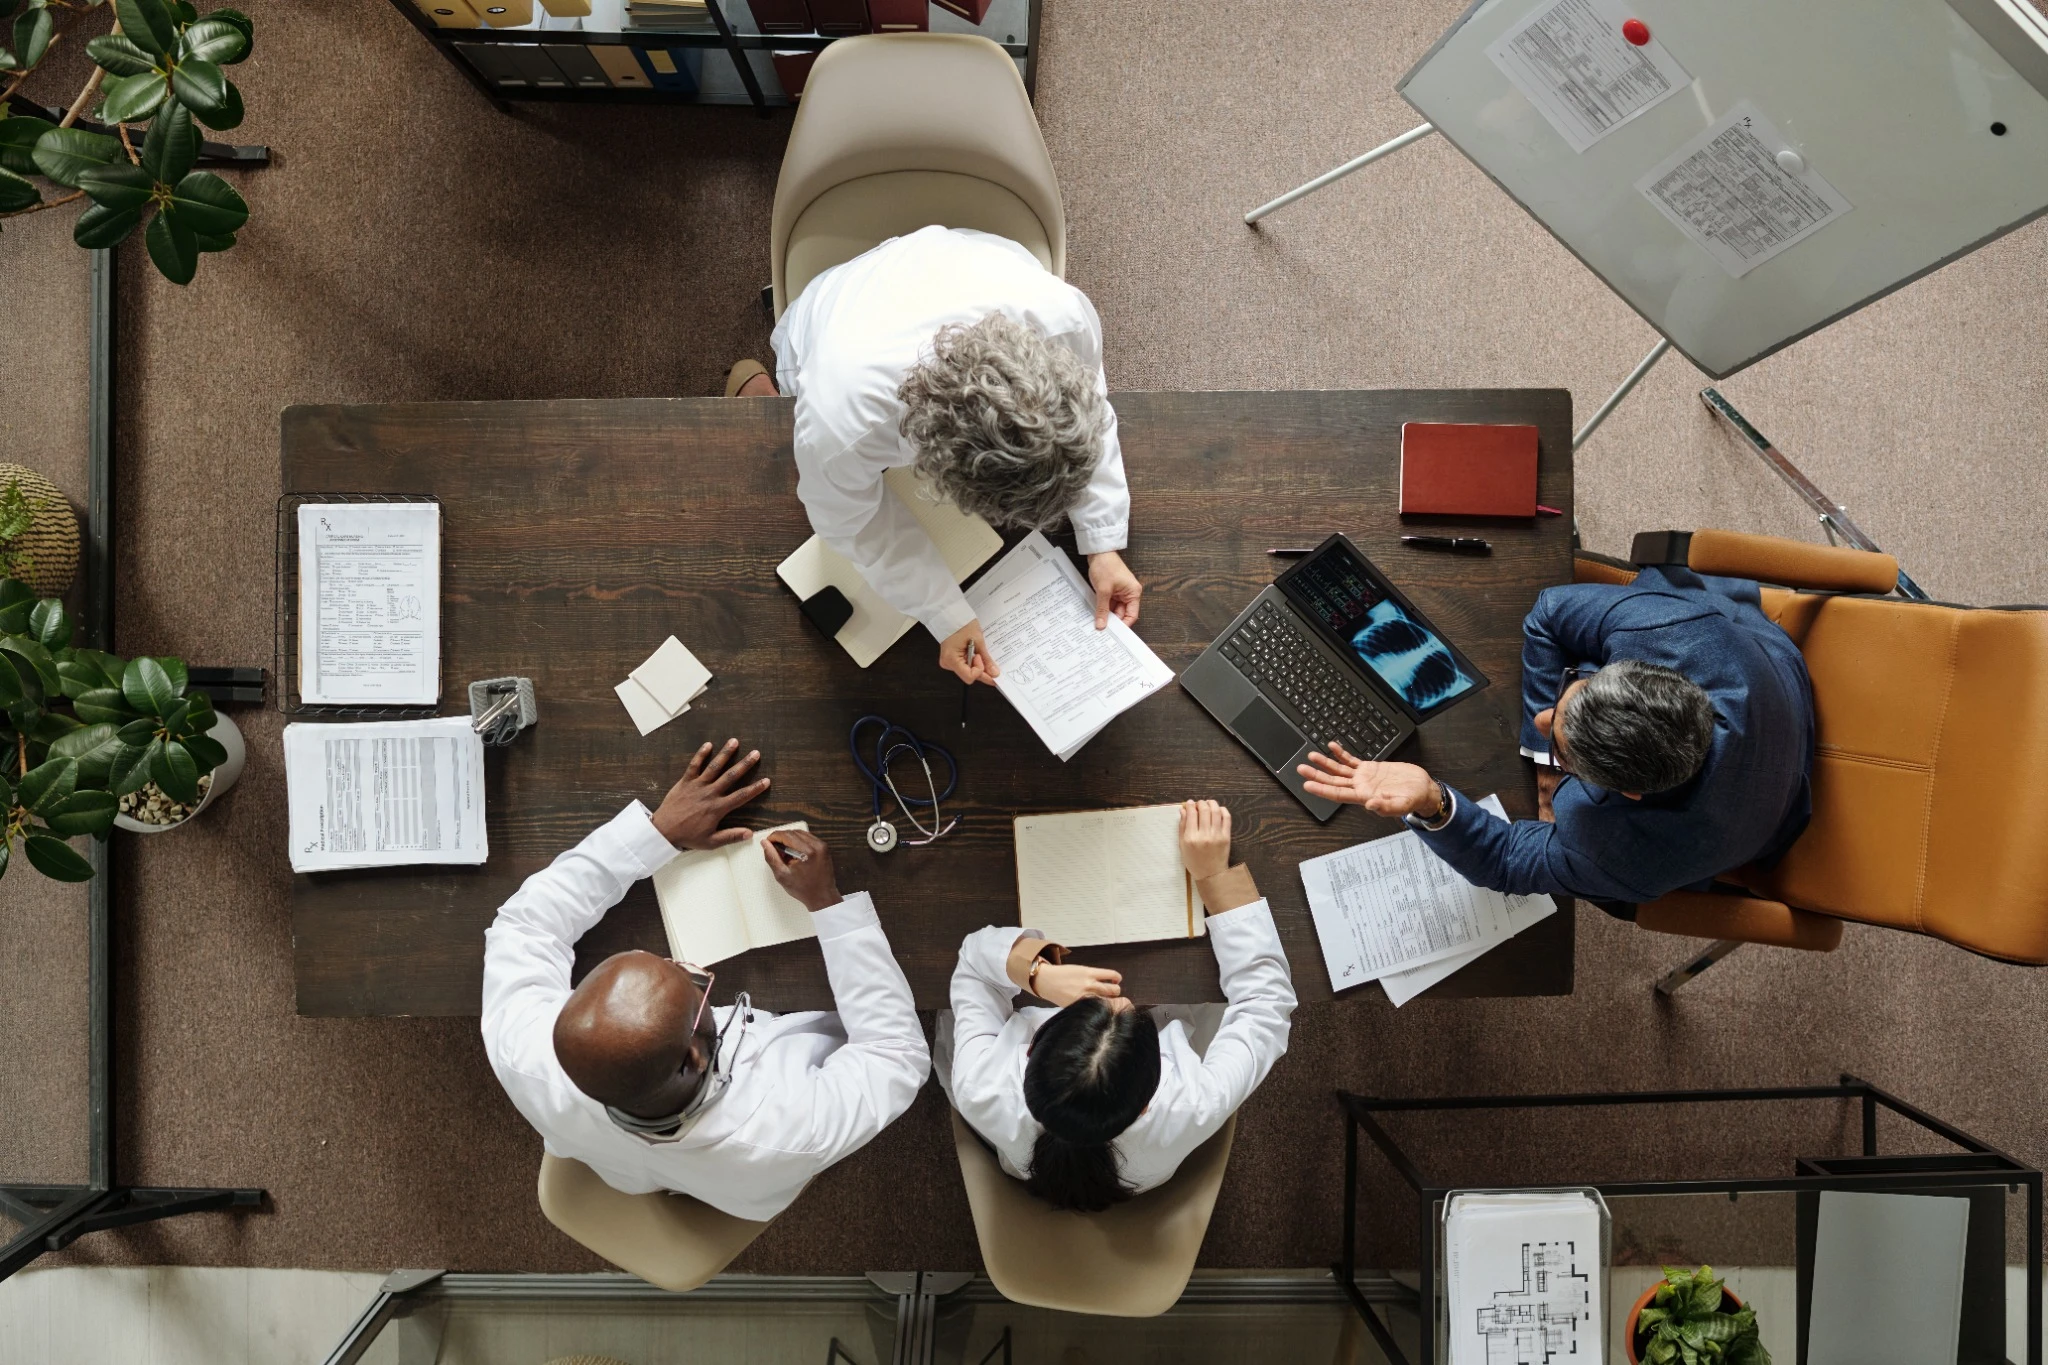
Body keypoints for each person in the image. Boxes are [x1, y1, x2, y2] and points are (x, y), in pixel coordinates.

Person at [480, 739, 929, 1222]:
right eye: (692, 988)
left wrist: (656, 835)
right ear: (694, 1056)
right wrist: (827, 906)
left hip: (627, 1169)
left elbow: (525, 926)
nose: (685, 967)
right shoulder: (789, 1132)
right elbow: (897, 1055)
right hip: (743, 1182)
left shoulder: (522, 1053)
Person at [732, 224, 1141, 684]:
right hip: (840, 310)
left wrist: (1102, 539)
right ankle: (765, 399)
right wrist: (943, 611)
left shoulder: (1062, 317)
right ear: (939, 470)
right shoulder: (840, 421)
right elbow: (853, 522)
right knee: (783, 426)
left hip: (961, 255)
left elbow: (1084, 417)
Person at [1296, 564, 1816, 910]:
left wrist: (1433, 803)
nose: (1541, 721)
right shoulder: (1679, 631)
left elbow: (1505, 861)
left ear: (1628, 795)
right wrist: (1548, 766)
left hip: (1760, 806)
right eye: (1574, 689)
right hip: (1774, 683)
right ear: (1641, 669)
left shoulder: (1619, 853)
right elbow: (1547, 612)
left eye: (1562, 749)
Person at [938, 800, 1295, 1212]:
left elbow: (971, 966)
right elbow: (1266, 1001)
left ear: (1034, 1049)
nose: (1120, 996)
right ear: (1149, 1098)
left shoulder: (981, 1086)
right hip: (1139, 1171)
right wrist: (1214, 876)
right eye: (1130, 1010)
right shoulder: (1194, 1102)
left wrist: (1038, 974)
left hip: (1040, 1161)